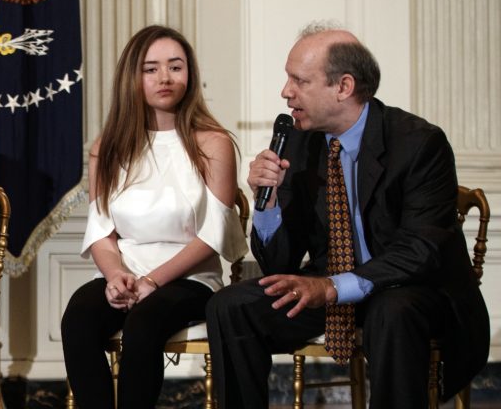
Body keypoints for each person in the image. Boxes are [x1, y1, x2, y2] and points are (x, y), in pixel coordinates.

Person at [206, 22, 489, 408]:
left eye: (299, 80)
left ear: (343, 87)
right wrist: (267, 203)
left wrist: (333, 287)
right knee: (231, 306)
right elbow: (278, 263)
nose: (285, 92)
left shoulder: (420, 143)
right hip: (331, 288)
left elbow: (419, 250)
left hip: (412, 289)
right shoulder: (300, 141)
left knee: (393, 311)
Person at [60, 25, 248, 409]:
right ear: (133, 77)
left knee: (144, 322)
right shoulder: (107, 148)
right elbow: (101, 230)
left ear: (189, 74)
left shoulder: (214, 143)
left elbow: (213, 235)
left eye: (175, 67)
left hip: (190, 278)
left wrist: (151, 281)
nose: (165, 77)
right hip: (125, 273)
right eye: (151, 69)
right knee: (78, 318)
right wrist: (115, 277)